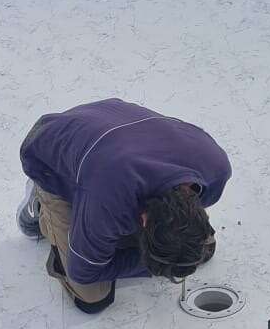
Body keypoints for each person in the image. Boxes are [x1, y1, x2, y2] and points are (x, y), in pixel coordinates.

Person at [16, 99, 230, 314]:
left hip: (115, 126)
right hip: (50, 148)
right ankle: (42, 199)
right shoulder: (107, 201)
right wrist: (154, 266)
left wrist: (169, 259)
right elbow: (84, 272)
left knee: (202, 252)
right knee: (92, 297)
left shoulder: (215, 171)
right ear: (142, 220)